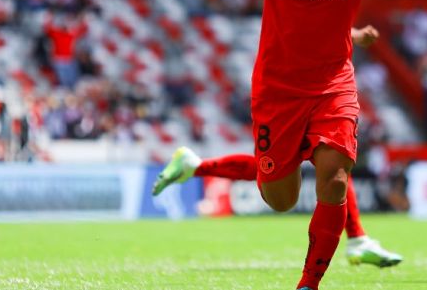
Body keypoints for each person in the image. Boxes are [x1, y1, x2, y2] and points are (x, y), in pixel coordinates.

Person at [155, 0, 410, 289]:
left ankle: (308, 284)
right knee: (279, 197)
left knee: (335, 179)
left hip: (333, 84)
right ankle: (196, 166)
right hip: (278, 88)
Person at [153, 26, 403, 268]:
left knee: (333, 161)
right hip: (289, 92)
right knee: (279, 171)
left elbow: (324, 26)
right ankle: (196, 166)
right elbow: (307, 29)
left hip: (321, 91)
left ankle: (357, 238)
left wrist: (355, 35)